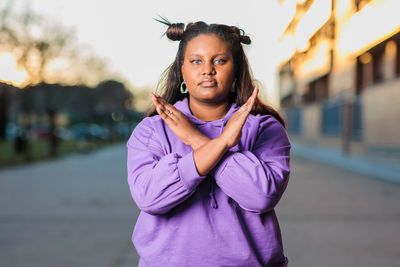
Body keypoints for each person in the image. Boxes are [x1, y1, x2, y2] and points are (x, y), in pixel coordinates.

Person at [126, 20, 291, 267]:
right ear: (181, 69)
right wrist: (222, 143)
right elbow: (150, 199)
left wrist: (195, 139)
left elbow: (261, 197)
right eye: (196, 61)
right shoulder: (152, 130)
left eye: (220, 60)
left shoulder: (264, 129)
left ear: (236, 69)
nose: (207, 70)